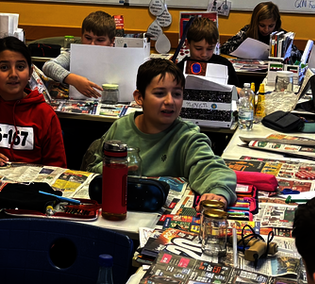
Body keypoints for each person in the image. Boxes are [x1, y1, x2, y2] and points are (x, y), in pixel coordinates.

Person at [85, 58, 235, 205]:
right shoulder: (121, 127)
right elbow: (92, 165)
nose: (170, 101)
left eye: (177, 94)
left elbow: (210, 167)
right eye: (159, 93)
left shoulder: (187, 136)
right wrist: (112, 169)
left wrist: (217, 191)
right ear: (139, 97)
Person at [0, 36, 66, 168]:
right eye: (4, 67)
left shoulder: (44, 114)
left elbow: (57, 166)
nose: (13, 74)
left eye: (20, 67)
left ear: (30, 73)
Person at [42, 10, 116, 98]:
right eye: (88, 38)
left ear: (112, 41)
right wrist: (74, 79)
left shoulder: (119, 57)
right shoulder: (73, 54)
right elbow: (48, 66)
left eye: (100, 40)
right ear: (81, 37)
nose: (92, 44)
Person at [223, 1, 300, 62]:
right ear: (255, 23)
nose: (266, 30)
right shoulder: (246, 31)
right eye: (262, 25)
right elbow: (224, 47)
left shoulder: (282, 36)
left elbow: (298, 56)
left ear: (276, 23)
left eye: (271, 26)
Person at [174, 14, 234, 81]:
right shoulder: (180, 68)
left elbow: (235, 87)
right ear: (187, 44)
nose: (204, 54)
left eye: (210, 49)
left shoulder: (225, 65)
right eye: (198, 48)